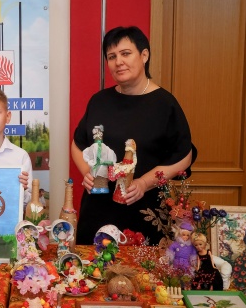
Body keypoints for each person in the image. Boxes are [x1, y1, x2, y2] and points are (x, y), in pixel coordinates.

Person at [71, 26, 195, 245]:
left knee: (143, 266)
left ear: (144, 55)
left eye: (126, 53)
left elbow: (184, 156)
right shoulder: (99, 101)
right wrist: (86, 172)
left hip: (143, 210)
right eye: (112, 56)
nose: (118, 62)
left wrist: (144, 183)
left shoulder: (164, 104)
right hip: (97, 211)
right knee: (92, 265)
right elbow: (78, 143)